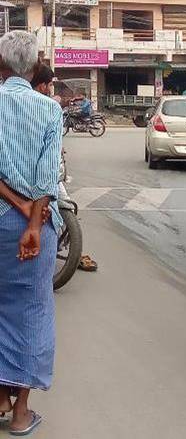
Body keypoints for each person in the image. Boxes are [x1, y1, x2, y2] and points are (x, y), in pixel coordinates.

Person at [0, 31, 63, 435]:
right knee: (32, 310)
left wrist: (16, 203)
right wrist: (34, 223)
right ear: (36, 67)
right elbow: (46, 176)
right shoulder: (50, 110)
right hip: (32, 226)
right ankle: (21, 411)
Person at [30, 62, 98, 273]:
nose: (50, 88)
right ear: (43, 85)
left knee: (64, 203)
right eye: (50, 84)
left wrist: (58, 149)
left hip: (45, 168)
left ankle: (69, 249)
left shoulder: (50, 105)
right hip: (34, 170)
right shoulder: (46, 106)